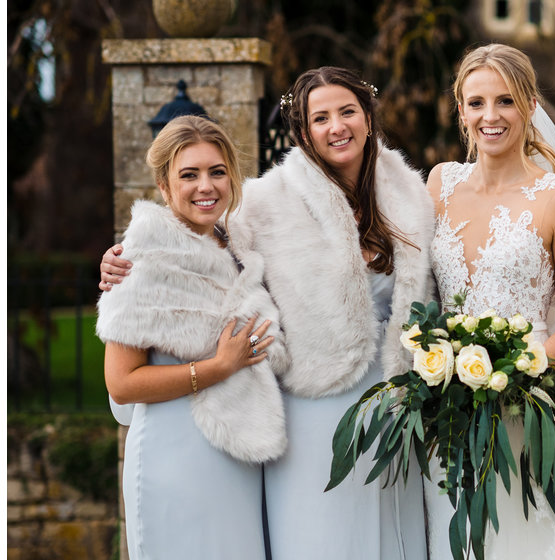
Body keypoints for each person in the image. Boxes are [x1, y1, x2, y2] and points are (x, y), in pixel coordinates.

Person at [100, 68, 432, 559]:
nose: (336, 126)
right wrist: (122, 259)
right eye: (320, 117)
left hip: (396, 409)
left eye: (346, 111)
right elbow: (190, 235)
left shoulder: (411, 195)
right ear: (302, 130)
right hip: (312, 413)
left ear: (368, 116)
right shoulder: (264, 201)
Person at [425, 43, 555, 559]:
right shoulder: (439, 185)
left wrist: (524, 373)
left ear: (529, 105)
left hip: (528, 412)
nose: (490, 116)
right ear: (460, 111)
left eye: (505, 101)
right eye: (476, 103)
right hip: (449, 413)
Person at [97, 115, 289, 560]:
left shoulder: (237, 243)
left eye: (217, 171)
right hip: (174, 457)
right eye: (189, 174)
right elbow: (121, 383)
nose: (206, 185)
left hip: (239, 457)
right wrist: (218, 367)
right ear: (164, 186)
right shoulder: (142, 259)